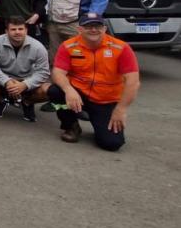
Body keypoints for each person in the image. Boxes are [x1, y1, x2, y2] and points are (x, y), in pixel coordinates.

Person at [47, 12, 139, 151]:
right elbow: (58, 72)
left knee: (112, 143)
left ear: (104, 28)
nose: (94, 30)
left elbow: (133, 82)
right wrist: (69, 90)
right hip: (78, 95)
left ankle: (99, 123)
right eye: (88, 26)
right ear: (79, 29)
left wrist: (121, 109)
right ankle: (71, 126)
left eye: (97, 26)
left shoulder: (121, 48)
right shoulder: (68, 46)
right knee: (55, 92)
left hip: (106, 100)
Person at [0, 16, 50, 121]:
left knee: (48, 90)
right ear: (6, 31)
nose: (17, 32)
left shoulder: (38, 47)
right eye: (13, 29)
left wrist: (25, 84)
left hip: (26, 80)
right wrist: (6, 81)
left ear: (26, 30)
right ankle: (1, 100)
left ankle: (27, 102)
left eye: (21, 29)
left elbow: (43, 72)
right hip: (3, 79)